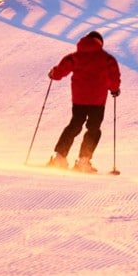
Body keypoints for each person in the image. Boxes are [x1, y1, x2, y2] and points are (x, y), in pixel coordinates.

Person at [46, 30, 121, 172]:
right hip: (98, 101)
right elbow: (114, 76)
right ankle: (83, 161)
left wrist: (53, 74)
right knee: (94, 128)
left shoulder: (75, 57)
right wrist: (114, 89)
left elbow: (61, 70)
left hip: (79, 99)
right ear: (100, 43)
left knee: (74, 125)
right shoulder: (107, 59)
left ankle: (60, 158)